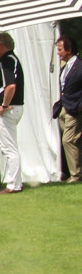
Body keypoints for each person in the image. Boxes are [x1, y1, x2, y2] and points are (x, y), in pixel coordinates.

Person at [0, 31, 24, 193]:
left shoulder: (7, 61)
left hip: (8, 109)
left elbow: (11, 86)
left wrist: (4, 105)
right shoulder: (10, 60)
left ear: (2, 46)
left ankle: (13, 185)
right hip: (13, 108)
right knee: (10, 147)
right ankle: (16, 182)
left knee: (9, 148)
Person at [55, 35, 82, 183]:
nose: (58, 53)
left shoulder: (79, 66)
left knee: (68, 140)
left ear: (69, 49)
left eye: (60, 49)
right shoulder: (65, 67)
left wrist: (78, 107)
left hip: (74, 109)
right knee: (72, 142)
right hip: (64, 108)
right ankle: (69, 172)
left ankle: (76, 176)